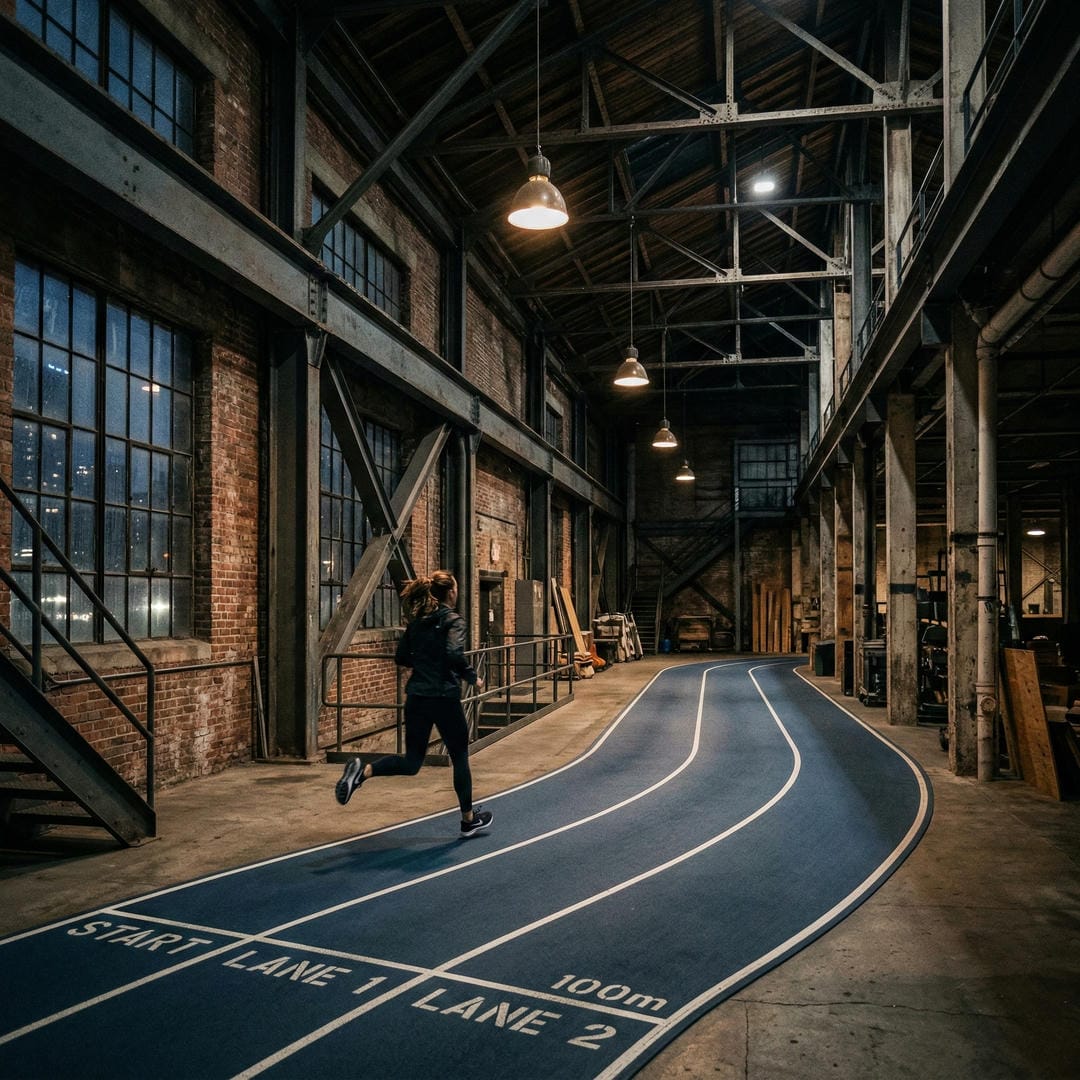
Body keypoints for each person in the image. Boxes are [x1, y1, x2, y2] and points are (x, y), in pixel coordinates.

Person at [335, 570, 493, 836]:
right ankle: (468, 820)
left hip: (417, 696)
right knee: (460, 757)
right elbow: (453, 652)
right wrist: (471, 676)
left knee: (412, 762)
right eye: (455, 587)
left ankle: (364, 771)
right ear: (451, 592)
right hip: (444, 697)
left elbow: (401, 657)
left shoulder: (417, 623)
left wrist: (424, 663)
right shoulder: (454, 621)